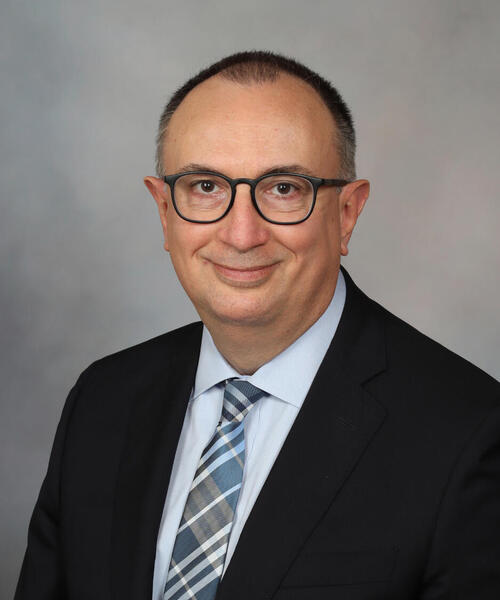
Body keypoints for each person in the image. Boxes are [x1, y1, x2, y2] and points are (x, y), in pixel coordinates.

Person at [15, 51, 500, 600]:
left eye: (284, 188)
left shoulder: (469, 435)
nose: (241, 234)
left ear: (347, 214)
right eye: (205, 186)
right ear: (164, 211)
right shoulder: (102, 400)